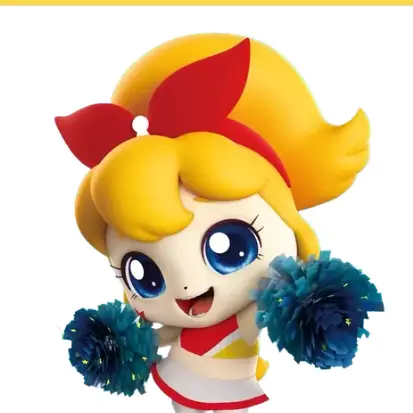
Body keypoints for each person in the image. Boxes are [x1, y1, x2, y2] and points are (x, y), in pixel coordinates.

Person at [56, 33, 369, 412]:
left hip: (228, 389)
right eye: (145, 275)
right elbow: (157, 338)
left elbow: (276, 310)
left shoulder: (247, 317)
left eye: (231, 247)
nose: (186, 285)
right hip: (178, 382)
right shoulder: (192, 322)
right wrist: (120, 345)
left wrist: (310, 311)